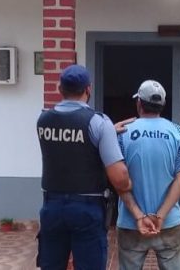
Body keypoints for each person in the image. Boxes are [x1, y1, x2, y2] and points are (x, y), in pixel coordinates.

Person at [36, 64, 133, 270]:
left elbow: (69, 144)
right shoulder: (98, 122)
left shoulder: (43, 119)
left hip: (52, 206)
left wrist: (107, 133)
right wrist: (129, 185)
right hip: (86, 208)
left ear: (60, 89)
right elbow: (119, 177)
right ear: (88, 89)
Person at [115, 80, 180, 270]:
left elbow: (118, 180)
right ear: (162, 105)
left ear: (139, 103)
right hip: (169, 222)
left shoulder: (122, 132)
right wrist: (161, 216)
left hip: (131, 223)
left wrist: (138, 216)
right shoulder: (177, 132)